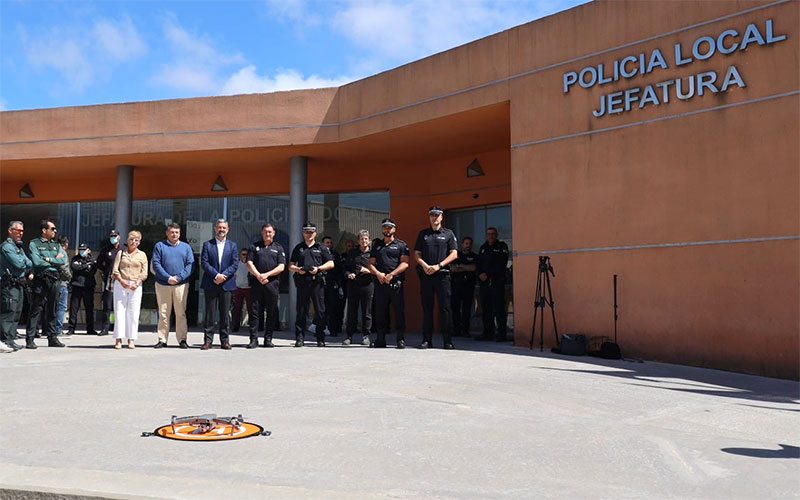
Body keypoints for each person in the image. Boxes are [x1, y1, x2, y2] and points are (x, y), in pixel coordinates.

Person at [413, 206, 458, 350]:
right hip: (426, 276)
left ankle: (447, 340)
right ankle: (427, 340)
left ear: (442, 217)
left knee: (445, 308)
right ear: (429, 217)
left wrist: (439, 265)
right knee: (427, 309)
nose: (435, 217)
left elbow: (454, 254)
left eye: (437, 215)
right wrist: (424, 265)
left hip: (442, 275)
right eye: (432, 215)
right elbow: (417, 254)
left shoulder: (448, 234)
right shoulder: (423, 234)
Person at [289, 221, 334, 347]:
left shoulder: (321, 248)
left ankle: (320, 338)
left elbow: (331, 263)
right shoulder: (299, 248)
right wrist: (299, 270)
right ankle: (299, 338)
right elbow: (290, 265)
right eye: (306, 232)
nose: (308, 234)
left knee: (320, 311)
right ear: (303, 233)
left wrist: (319, 268)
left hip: (317, 283)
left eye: (311, 232)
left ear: (315, 233)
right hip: (302, 283)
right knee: (301, 311)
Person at [368, 218, 410, 348]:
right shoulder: (377, 246)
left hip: (395, 282)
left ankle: (400, 339)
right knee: (380, 312)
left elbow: (405, 263)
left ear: (394, 229)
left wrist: (392, 275)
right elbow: (370, 264)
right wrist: (379, 274)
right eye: (385, 227)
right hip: (381, 282)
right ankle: (380, 339)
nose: (387, 229)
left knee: (399, 312)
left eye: (389, 227)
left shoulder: (401, 245)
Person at [152, 223, 194, 349]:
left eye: (176, 232)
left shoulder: (186, 247)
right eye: (172, 232)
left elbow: (190, 265)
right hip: (162, 284)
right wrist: (168, 277)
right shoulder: (159, 246)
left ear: (180, 234)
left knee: (180, 313)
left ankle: (182, 339)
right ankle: (162, 339)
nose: (174, 234)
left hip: (180, 285)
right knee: (164, 313)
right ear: (167, 233)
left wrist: (179, 277)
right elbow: (156, 264)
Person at [25, 220, 67, 349]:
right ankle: (30, 338)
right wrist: (54, 261)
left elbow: (63, 260)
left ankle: (52, 337)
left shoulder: (56, 245)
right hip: (41, 278)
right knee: (36, 308)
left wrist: (48, 259)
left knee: (53, 308)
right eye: (52, 229)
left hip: (54, 279)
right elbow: (36, 261)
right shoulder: (35, 243)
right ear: (44, 230)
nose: (55, 231)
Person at [199, 219, 238, 350]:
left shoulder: (232, 246)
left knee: (224, 314)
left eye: (224, 228)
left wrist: (223, 276)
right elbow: (204, 262)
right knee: (210, 313)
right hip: (211, 282)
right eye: (219, 227)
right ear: (215, 229)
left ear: (228, 229)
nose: (221, 230)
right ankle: (208, 340)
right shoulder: (207, 245)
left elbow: (235, 264)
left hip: (226, 284)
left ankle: (225, 340)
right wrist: (216, 275)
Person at [247, 223, 286, 348]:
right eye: (265, 232)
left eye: (270, 232)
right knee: (254, 312)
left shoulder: (279, 248)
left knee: (271, 312)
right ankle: (253, 339)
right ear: (261, 233)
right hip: (256, 284)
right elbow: (249, 263)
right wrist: (258, 275)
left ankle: (268, 339)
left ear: (273, 233)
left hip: (272, 285)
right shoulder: (254, 246)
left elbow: (281, 266)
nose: (267, 234)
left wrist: (266, 275)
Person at [0, 221, 33, 351]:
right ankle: (4, 340)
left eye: (22, 231)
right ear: (10, 231)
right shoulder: (7, 247)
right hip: (9, 284)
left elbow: (29, 262)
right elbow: (19, 264)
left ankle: (11, 339)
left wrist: (23, 261)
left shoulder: (18, 247)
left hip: (19, 284)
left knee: (16, 312)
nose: (20, 233)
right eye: (18, 230)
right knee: (9, 311)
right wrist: (23, 261)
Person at [112, 231, 148, 349]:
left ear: (139, 242)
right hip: (121, 283)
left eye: (136, 240)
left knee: (133, 312)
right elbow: (115, 270)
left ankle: (131, 339)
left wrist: (137, 283)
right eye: (132, 239)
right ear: (127, 240)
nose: (134, 242)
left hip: (135, 285)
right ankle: (118, 339)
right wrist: (122, 281)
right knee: (119, 311)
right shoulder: (121, 253)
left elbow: (144, 272)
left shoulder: (142, 255)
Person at [476, 227, 510, 341]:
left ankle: (501, 334)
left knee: (499, 308)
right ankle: (487, 333)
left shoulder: (501, 247)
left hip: (496, 281)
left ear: (496, 235)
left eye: (493, 234)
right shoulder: (483, 248)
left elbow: (501, 263)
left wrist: (488, 274)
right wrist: (480, 274)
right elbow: (478, 264)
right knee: (486, 308)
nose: (490, 236)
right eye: (489, 234)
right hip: (484, 283)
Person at [344, 230, 373, 346]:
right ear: (358, 240)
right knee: (351, 311)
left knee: (367, 311)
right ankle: (349, 336)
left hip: (367, 284)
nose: (363, 241)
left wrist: (368, 271)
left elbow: (379, 269)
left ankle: (366, 335)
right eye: (361, 239)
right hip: (354, 285)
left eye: (366, 239)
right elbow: (345, 268)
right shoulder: (352, 253)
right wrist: (348, 274)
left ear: (369, 240)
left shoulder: (373, 253)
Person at [95, 229, 122, 336]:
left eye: (115, 236)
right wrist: (105, 271)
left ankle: (118, 328)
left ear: (119, 237)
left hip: (121, 280)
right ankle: (105, 328)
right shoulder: (106, 249)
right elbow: (99, 263)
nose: (113, 237)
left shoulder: (123, 249)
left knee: (120, 305)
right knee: (107, 305)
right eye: (111, 236)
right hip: (109, 280)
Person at [450, 236, 477, 337]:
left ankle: (465, 330)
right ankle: (456, 330)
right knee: (455, 308)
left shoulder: (475, 256)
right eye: (466, 244)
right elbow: (453, 268)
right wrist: (466, 267)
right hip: (456, 285)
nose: (468, 246)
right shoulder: (456, 255)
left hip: (468, 286)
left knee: (467, 309)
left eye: (469, 244)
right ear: (462, 245)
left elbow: (474, 268)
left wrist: (461, 267)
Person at [68, 243, 97, 335]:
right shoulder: (75, 258)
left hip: (88, 286)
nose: (82, 251)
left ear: (88, 250)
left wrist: (81, 266)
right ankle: (71, 329)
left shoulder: (92, 260)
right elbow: (74, 268)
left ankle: (90, 328)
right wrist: (85, 266)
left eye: (84, 249)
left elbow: (92, 271)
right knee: (73, 308)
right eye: (81, 249)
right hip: (77, 285)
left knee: (89, 308)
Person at [321, 236, 344, 336]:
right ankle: (320, 329)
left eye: (330, 243)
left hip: (332, 284)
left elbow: (339, 269)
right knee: (321, 308)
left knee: (333, 307)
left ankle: (333, 329)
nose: (329, 244)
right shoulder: (319, 254)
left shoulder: (335, 255)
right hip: (321, 283)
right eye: (327, 243)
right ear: (323, 244)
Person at [55, 235, 71, 336]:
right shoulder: (62, 253)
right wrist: (69, 276)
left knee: (53, 306)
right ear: (65, 244)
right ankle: (58, 329)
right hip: (62, 283)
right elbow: (64, 268)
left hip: (55, 283)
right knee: (61, 307)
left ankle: (50, 328)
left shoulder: (54, 250)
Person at [231, 248, 251, 332]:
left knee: (250, 308)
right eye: (243, 254)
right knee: (237, 308)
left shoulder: (251, 265)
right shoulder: (237, 265)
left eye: (247, 254)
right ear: (240, 255)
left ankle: (252, 325)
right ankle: (236, 326)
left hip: (249, 288)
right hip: (238, 288)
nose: (245, 256)